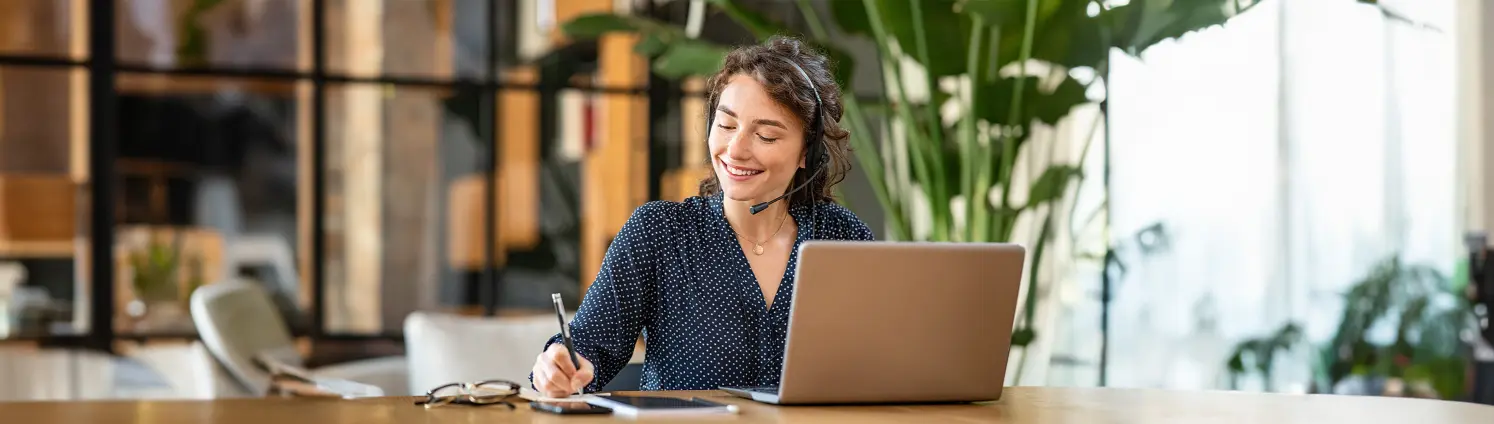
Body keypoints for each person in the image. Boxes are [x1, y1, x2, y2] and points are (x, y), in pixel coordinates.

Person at [529, 35, 875, 397]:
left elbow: (879, 361)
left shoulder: (843, 238)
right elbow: (584, 351)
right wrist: (557, 367)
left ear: (808, 153)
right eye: (726, 126)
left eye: (766, 136)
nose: (735, 150)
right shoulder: (659, 232)